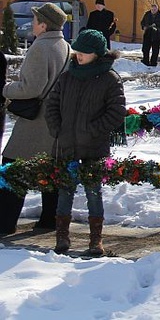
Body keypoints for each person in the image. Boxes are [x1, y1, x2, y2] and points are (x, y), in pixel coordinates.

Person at [45, 29, 126, 256]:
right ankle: (62, 237)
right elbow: (52, 105)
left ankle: (95, 240)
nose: (79, 56)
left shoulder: (109, 79)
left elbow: (116, 112)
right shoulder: (67, 76)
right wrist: (57, 129)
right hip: (66, 144)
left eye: (85, 53)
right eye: (77, 51)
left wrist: (92, 130)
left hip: (93, 146)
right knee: (64, 191)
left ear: (97, 54)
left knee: (93, 192)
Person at [0, 3, 70, 234]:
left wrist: (6, 89)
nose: (32, 23)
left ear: (43, 23)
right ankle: (49, 219)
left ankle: (5, 223)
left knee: (12, 167)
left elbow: (32, 87)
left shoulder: (41, 48)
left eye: (35, 19)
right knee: (48, 169)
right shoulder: (65, 46)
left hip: (35, 123)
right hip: (53, 122)